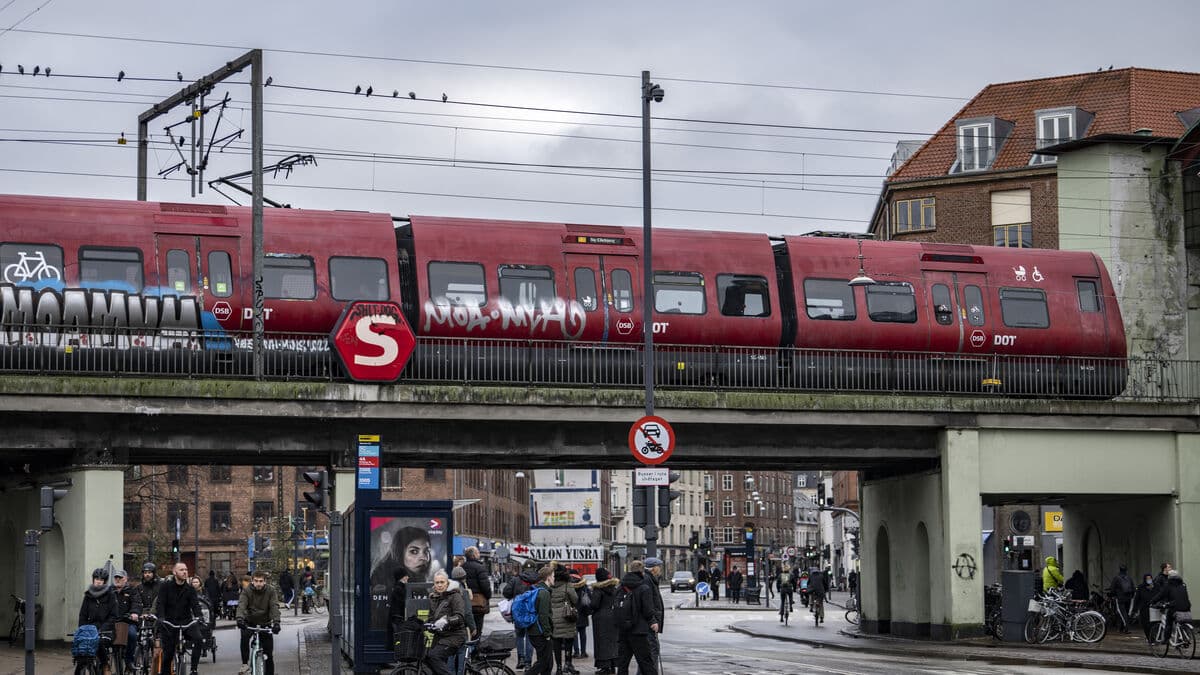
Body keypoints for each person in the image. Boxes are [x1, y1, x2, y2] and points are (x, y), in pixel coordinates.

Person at [369, 527, 434, 629]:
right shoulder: (383, 579)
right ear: (399, 552)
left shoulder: (419, 580)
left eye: (426, 551)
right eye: (414, 551)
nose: (423, 558)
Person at [156, 561, 204, 675]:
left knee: (198, 639)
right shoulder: (165, 586)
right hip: (169, 623)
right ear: (174, 572)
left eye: (186, 570)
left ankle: (193, 669)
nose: (185, 572)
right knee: (168, 653)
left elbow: (195, 605)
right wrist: (161, 618)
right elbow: (160, 603)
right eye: (181, 570)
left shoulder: (190, 589)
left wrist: (199, 616)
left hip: (186, 622)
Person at [236, 569, 281, 675]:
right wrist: (240, 619)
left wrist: (276, 622)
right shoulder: (247, 591)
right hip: (249, 621)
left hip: (265, 623)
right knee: (244, 638)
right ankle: (245, 664)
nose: (258, 583)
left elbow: (274, 606)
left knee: (269, 654)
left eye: (261, 581)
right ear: (252, 581)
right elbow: (242, 605)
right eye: (256, 581)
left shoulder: (271, 591)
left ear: (265, 581)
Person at [615, 566, 657, 675]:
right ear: (641, 573)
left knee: (623, 663)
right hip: (639, 631)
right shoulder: (643, 588)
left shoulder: (620, 587)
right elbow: (647, 610)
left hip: (623, 630)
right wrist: (653, 621)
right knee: (646, 662)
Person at [78, 567, 120, 668]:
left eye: (101, 580)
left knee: (99, 642)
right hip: (91, 629)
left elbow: (113, 616)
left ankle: (105, 665)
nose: (98, 582)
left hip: (107, 630)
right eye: (96, 579)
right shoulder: (88, 595)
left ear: (105, 582)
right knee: (80, 649)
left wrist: (102, 629)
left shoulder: (111, 595)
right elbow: (83, 615)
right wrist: (82, 629)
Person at [503, 561, 539, 670]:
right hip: (532, 613)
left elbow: (506, 592)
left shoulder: (516, 579)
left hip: (518, 612)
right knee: (529, 637)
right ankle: (528, 663)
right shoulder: (537, 580)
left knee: (519, 636)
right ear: (534, 568)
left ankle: (521, 660)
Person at [549, 564, 580, 675]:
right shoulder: (567, 585)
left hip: (554, 618)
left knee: (556, 643)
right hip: (567, 617)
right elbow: (575, 599)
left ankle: (559, 668)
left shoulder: (550, 586)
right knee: (568, 642)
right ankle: (568, 663)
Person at [524, 566, 555, 675]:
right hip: (540, 632)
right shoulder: (544, 593)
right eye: (553, 576)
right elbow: (543, 616)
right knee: (543, 662)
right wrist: (547, 633)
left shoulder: (535, 589)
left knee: (548, 663)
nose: (554, 578)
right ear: (548, 577)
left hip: (533, 630)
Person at [589, 568, 619, 675]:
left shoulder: (598, 589)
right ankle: (612, 666)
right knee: (612, 641)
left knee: (601, 642)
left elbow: (594, 604)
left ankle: (604, 667)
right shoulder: (614, 588)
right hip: (613, 615)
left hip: (600, 618)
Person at [112, 569, 143, 670]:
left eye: (120, 578)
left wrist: (134, 613)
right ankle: (103, 663)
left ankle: (129, 660)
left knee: (132, 635)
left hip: (127, 621)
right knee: (103, 637)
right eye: (116, 577)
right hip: (113, 622)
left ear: (125, 579)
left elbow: (137, 603)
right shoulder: (110, 591)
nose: (117, 579)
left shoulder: (132, 590)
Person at [1150, 569, 1191, 643]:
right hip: (1186, 607)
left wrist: (1152, 601)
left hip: (1175, 607)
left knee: (1168, 621)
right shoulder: (1183, 584)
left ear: (1170, 577)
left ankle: (1166, 639)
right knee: (1181, 621)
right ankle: (1183, 637)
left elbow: (1161, 595)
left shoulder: (1168, 585)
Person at [449, 566, 476, 675]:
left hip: (449, 628)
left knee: (450, 654)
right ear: (464, 578)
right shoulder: (463, 592)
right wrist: (473, 627)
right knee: (462, 652)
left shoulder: (448, 590)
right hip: (460, 628)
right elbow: (468, 612)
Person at [462, 546, 491, 638]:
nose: (479, 554)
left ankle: (466, 649)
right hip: (478, 603)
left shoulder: (462, 567)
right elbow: (485, 586)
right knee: (478, 629)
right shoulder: (480, 567)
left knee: (466, 628)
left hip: (464, 602)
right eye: (478, 552)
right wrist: (488, 596)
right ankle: (475, 650)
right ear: (474, 555)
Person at [641, 557, 665, 665]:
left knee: (651, 651)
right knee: (652, 651)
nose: (660, 568)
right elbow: (648, 603)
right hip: (650, 623)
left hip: (651, 621)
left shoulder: (651, 579)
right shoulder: (647, 579)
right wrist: (653, 621)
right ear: (653, 568)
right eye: (658, 566)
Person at [386, 568, 410, 652]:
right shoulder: (400, 588)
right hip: (398, 619)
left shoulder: (398, 587)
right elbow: (405, 603)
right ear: (402, 577)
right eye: (406, 575)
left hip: (395, 618)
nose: (408, 577)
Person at [1132, 572, 1158, 644]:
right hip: (1144, 609)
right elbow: (1137, 599)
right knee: (1146, 625)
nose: (1149, 580)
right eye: (1147, 578)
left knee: (1153, 624)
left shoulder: (1156, 586)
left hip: (1154, 608)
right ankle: (1150, 638)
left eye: (1150, 578)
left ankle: (1153, 638)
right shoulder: (1141, 587)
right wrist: (1135, 610)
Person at [1108, 564, 1135, 632]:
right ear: (1126, 570)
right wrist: (1132, 596)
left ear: (1119, 570)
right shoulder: (1129, 578)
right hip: (1129, 598)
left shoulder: (1116, 578)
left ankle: (1127, 627)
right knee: (1126, 612)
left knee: (1122, 613)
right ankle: (1121, 628)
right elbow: (1133, 588)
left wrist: (1112, 595)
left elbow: (1112, 589)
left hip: (1120, 598)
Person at [571, 570, 591, 661]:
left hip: (572, 612)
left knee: (574, 634)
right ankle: (583, 652)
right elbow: (589, 598)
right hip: (583, 612)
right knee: (583, 633)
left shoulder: (569, 585)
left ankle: (576, 652)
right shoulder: (584, 585)